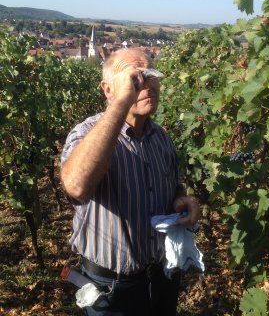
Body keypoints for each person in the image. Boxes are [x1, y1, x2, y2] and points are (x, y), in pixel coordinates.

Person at [60, 49, 200, 316]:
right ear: (108, 89)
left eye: (151, 75)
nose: (147, 84)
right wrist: (121, 103)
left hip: (162, 276)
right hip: (112, 288)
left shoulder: (161, 138)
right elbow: (76, 186)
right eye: (135, 77)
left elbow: (173, 187)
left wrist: (182, 200)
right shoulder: (86, 133)